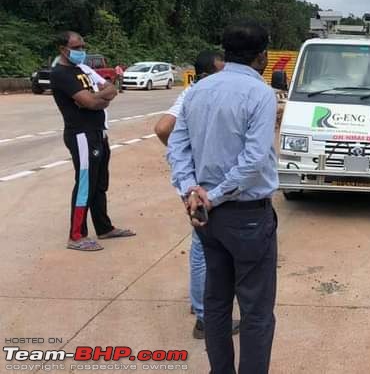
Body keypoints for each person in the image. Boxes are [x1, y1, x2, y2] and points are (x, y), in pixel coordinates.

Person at [168, 24, 278, 374]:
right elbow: (254, 159)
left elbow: (177, 147)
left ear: (224, 52)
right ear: (262, 56)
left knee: (216, 304)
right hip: (245, 215)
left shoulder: (197, 91)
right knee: (256, 310)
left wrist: (191, 192)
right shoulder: (260, 94)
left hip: (205, 218)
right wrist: (211, 196)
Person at [155, 50, 241, 340]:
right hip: (200, 186)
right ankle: (206, 316)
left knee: (200, 247)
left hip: (193, 183)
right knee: (206, 250)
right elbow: (162, 128)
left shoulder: (200, 94)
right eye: (220, 71)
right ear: (205, 74)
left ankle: (201, 305)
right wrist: (189, 159)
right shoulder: (194, 94)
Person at [49, 31, 135, 252]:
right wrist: (98, 97)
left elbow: (109, 90)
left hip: (97, 132)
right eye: (76, 48)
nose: (81, 51)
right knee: (85, 184)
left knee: (99, 183)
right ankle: (76, 235)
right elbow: (90, 100)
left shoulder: (80, 71)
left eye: (82, 46)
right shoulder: (61, 74)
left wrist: (99, 98)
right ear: (63, 49)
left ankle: (104, 227)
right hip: (81, 135)